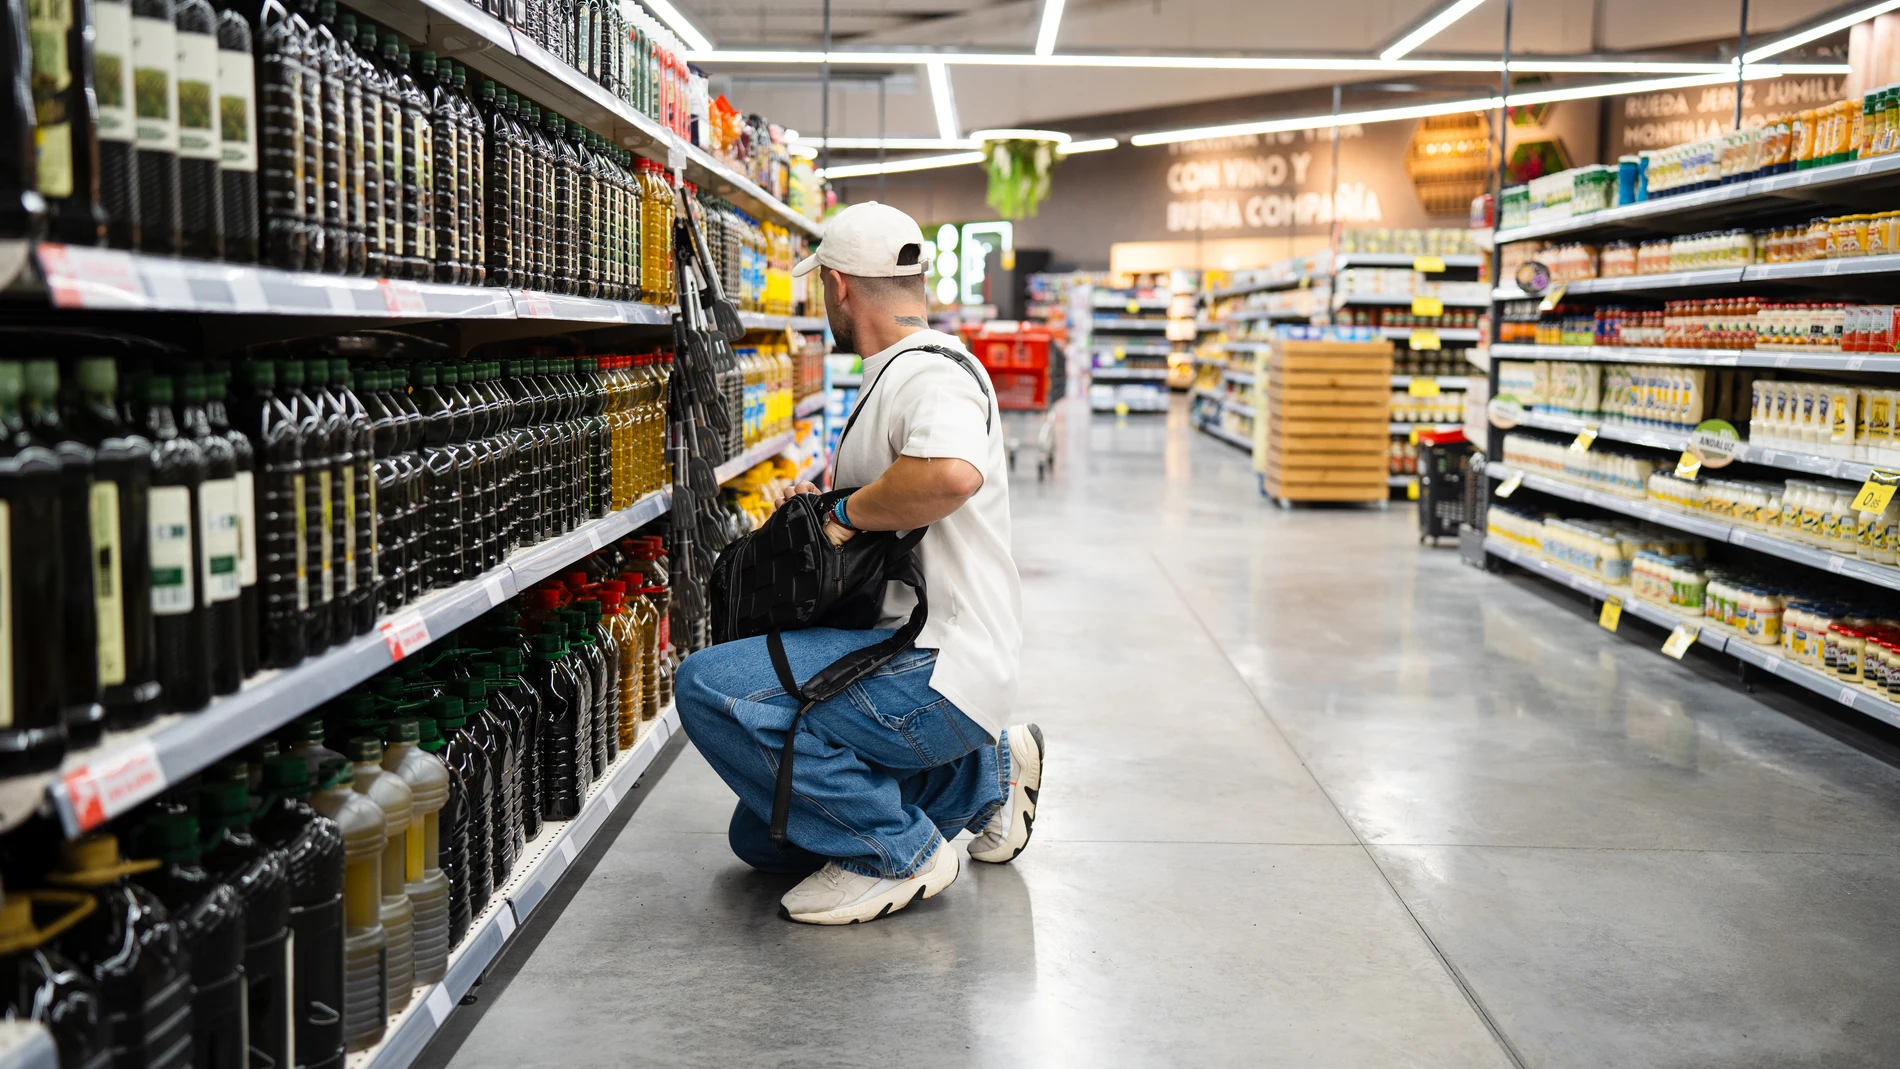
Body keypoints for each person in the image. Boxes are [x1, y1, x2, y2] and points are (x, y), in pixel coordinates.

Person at [675, 201, 1040, 925]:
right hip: (920, 653)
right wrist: (822, 505)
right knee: (764, 833)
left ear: (838, 287)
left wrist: (843, 514)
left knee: (709, 687)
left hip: (935, 663)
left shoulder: (929, 376)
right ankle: (987, 775)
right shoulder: (899, 370)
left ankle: (900, 850)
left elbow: (951, 473)